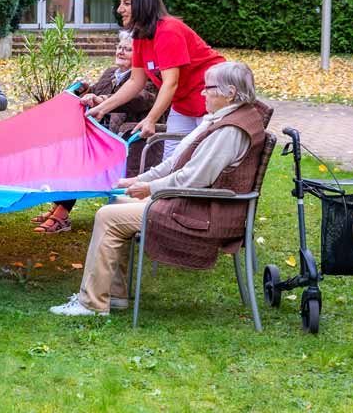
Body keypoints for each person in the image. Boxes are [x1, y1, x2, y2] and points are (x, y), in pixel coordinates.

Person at [50, 62, 269, 316]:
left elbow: (193, 179)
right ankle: (113, 295)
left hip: (203, 213)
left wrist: (150, 188)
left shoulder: (230, 130)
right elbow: (177, 163)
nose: (202, 93)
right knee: (115, 205)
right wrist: (137, 180)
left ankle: (92, 304)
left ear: (230, 93)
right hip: (198, 203)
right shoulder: (225, 117)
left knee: (109, 218)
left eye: (208, 88)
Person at [31, 32, 158, 234]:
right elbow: (96, 90)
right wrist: (84, 89)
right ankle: (58, 207)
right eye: (119, 47)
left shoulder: (147, 79)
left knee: (77, 158)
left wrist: (103, 100)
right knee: (64, 149)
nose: (121, 51)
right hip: (97, 135)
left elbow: (141, 98)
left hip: (119, 141)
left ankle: (62, 214)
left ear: (141, 54)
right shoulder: (111, 73)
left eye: (128, 48)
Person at [87, 0, 225, 159]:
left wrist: (151, 119)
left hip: (212, 97)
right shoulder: (140, 36)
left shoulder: (168, 31)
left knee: (205, 158)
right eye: (121, 3)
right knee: (172, 158)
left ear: (144, 5)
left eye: (127, 4)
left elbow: (170, 82)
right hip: (183, 102)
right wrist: (103, 108)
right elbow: (135, 81)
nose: (120, 9)